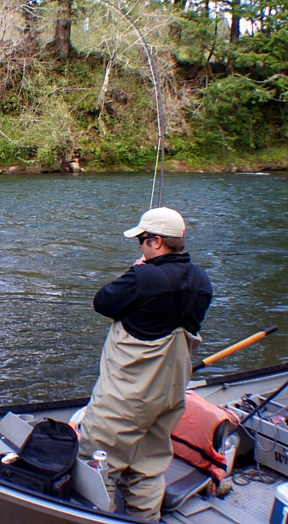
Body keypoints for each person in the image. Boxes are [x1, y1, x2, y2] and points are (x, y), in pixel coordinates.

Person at [78, 207, 213, 522]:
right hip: (170, 395)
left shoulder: (142, 276)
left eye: (141, 240)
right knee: (148, 468)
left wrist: (135, 270)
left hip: (126, 397)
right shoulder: (202, 280)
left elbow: (103, 302)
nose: (139, 246)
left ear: (156, 241)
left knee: (98, 465)